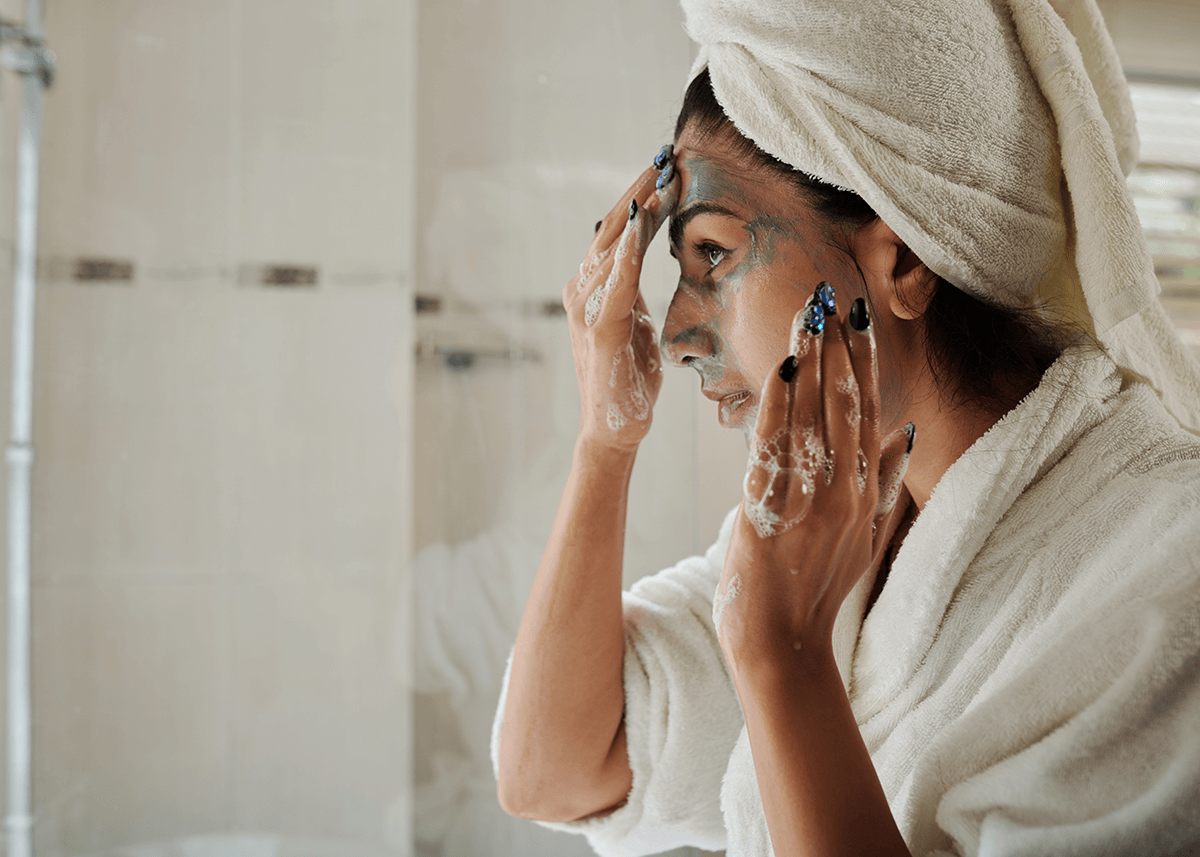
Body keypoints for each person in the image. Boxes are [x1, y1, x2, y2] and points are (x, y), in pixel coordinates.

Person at [493, 0, 1200, 854]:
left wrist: (784, 660)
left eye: (712, 253)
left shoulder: (1167, 573)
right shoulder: (850, 530)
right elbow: (553, 773)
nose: (675, 330)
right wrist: (605, 443)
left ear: (899, 258)